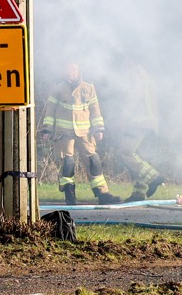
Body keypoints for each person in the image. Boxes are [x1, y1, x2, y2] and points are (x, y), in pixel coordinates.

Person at [39, 63, 121, 205]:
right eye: (67, 69)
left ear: (78, 70)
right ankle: (70, 195)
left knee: (93, 161)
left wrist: (99, 128)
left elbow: (95, 110)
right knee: (68, 163)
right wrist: (47, 129)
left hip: (85, 132)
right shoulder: (58, 88)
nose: (69, 72)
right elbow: (50, 110)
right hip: (64, 133)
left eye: (72, 69)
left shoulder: (88, 87)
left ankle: (103, 194)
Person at [109, 59, 165, 203]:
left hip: (138, 123)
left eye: (126, 62)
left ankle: (154, 177)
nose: (124, 66)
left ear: (131, 62)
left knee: (125, 152)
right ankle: (139, 193)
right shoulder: (149, 78)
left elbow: (133, 99)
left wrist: (123, 117)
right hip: (150, 124)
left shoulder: (137, 77)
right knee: (138, 157)